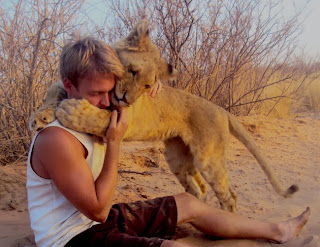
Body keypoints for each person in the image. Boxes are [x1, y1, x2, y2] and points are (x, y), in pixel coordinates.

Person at [27, 37, 310, 247]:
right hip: (72, 238)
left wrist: (149, 82)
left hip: (91, 220)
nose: (107, 102)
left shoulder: (94, 105)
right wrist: (114, 144)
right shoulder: (56, 139)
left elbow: (122, 70)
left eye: (110, 91)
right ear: (68, 86)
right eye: (96, 94)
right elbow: (99, 210)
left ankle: (277, 230)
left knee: (189, 202)